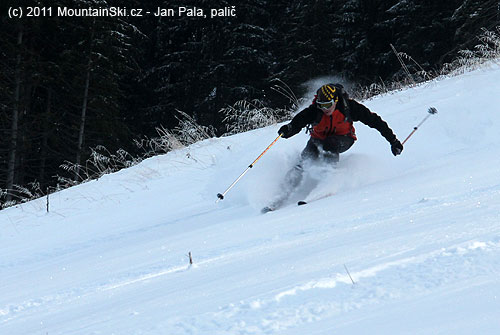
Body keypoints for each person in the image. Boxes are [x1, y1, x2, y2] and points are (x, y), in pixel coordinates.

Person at [262, 83, 403, 213]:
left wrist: (393, 140)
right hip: (317, 140)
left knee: (330, 144)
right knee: (305, 160)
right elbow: (298, 122)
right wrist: (288, 130)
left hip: (344, 139)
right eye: (321, 105)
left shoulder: (349, 107)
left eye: (328, 104)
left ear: (336, 100)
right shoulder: (315, 111)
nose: (325, 109)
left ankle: (329, 180)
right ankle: (280, 196)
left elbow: (375, 121)